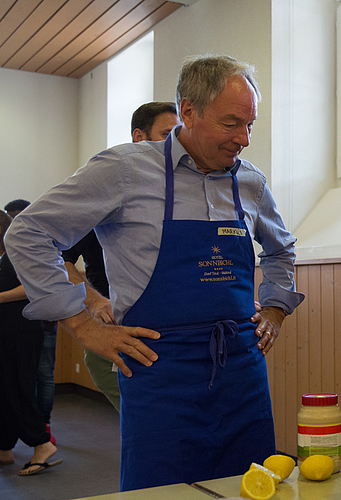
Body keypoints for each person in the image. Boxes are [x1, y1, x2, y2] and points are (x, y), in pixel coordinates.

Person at [5, 55, 304, 490]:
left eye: (250, 124)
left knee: (248, 488)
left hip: (242, 374)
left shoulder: (251, 182)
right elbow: (28, 231)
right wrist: (82, 326)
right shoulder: (125, 170)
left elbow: (282, 248)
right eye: (231, 123)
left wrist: (275, 308)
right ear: (188, 111)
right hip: (158, 372)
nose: (244, 138)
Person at [61, 102, 181, 412]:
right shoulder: (110, 195)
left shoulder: (178, 196)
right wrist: (95, 302)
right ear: (139, 137)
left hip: (167, 338)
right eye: (168, 134)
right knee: (147, 428)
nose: (177, 144)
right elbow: (58, 257)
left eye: (180, 135)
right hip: (118, 334)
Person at [0, 210, 62, 476]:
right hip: (9, 331)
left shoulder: (16, 254)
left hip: (22, 331)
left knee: (20, 387)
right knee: (5, 388)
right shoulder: (4, 258)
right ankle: (4, 446)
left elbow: (32, 288)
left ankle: (41, 443)